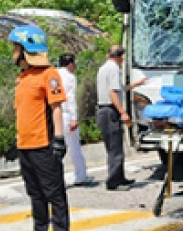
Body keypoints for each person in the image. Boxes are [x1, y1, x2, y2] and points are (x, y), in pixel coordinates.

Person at [10, 25, 71, 231]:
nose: (13, 52)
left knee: (54, 194)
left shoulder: (49, 74)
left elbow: (56, 108)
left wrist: (58, 139)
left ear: (26, 49)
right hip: (26, 146)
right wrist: (16, 141)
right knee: (35, 194)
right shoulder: (23, 78)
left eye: (16, 47)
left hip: (44, 145)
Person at [96, 47, 146, 190]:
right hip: (109, 110)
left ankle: (120, 177)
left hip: (106, 110)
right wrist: (123, 112)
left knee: (117, 145)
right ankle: (113, 182)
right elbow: (113, 93)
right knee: (114, 148)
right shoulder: (113, 69)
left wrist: (136, 84)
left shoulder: (105, 67)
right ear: (120, 57)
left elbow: (119, 88)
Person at [57, 53, 93, 186]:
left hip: (55, 114)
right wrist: (74, 118)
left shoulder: (53, 75)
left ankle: (57, 177)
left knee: (57, 147)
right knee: (73, 146)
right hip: (66, 114)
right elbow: (70, 98)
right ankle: (80, 174)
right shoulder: (70, 77)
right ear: (70, 64)